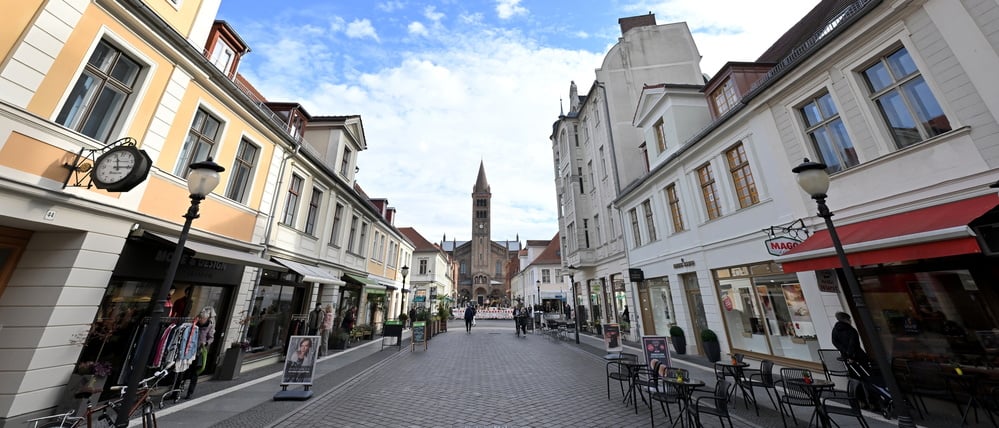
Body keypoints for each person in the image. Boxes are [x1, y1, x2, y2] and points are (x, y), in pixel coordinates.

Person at [184, 306, 215, 399]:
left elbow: (211, 337)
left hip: (199, 351)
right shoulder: (194, 324)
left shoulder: (210, 326)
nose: (201, 320)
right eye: (200, 318)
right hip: (189, 349)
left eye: (203, 318)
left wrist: (205, 344)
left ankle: (190, 392)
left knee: (195, 372)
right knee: (185, 370)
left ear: (206, 319)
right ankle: (177, 390)